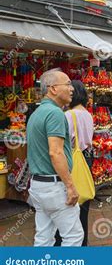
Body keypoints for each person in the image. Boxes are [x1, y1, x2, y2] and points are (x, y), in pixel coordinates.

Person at [27, 69, 83, 246]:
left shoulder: (36, 113)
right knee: (73, 237)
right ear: (52, 89)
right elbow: (55, 152)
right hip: (54, 186)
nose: (71, 88)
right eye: (67, 84)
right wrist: (70, 186)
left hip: (38, 185)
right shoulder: (55, 113)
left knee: (43, 237)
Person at [55, 80, 94, 247]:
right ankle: (82, 243)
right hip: (86, 159)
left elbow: (63, 142)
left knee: (68, 204)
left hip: (72, 160)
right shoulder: (87, 114)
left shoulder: (68, 115)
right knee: (83, 204)